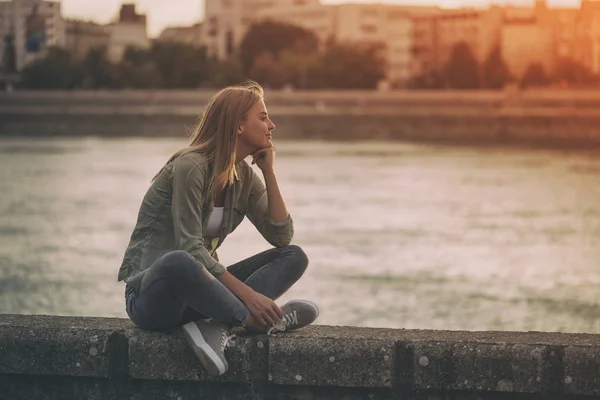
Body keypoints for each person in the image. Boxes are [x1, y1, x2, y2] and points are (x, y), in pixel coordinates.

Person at [117, 81, 319, 377]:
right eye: (262, 117)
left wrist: (269, 171)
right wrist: (248, 297)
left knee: (294, 256)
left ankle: (218, 324)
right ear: (239, 125)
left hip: (201, 298)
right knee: (180, 260)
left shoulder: (245, 177)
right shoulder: (191, 166)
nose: (271, 125)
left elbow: (281, 236)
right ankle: (252, 321)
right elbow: (190, 247)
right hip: (154, 300)